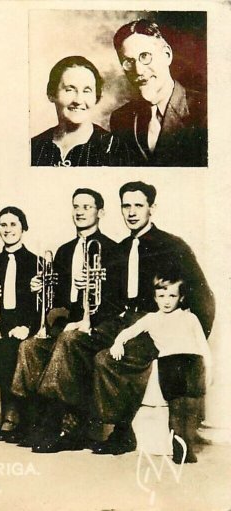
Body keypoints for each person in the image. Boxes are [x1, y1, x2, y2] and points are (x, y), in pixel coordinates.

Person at [91, 181, 214, 455]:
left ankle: (121, 431)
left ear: (152, 208)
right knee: (74, 341)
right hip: (122, 321)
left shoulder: (172, 245)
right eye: (126, 205)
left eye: (139, 205)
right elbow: (109, 299)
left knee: (105, 360)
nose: (132, 212)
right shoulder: (118, 249)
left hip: (153, 325)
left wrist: (188, 341)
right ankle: (70, 428)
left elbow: (203, 297)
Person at [14, 189, 122, 453]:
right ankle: (37, 421)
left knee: (68, 339)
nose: (80, 211)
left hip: (100, 324)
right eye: (76, 206)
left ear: (101, 212)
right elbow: (57, 300)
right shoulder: (64, 251)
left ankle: (61, 426)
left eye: (87, 206)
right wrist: (40, 287)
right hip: (69, 323)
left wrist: (90, 315)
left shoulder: (112, 249)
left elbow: (119, 301)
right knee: (29, 347)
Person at [108, 272, 211, 463]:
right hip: (170, 364)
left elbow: (203, 346)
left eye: (172, 296)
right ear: (155, 298)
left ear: (181, 297)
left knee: (191, 408)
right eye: (161, 296)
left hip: (193, 363)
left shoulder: (190, 318)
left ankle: (188, 446)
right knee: (176, 407)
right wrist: (117, 344)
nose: (166, 301)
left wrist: (208, 370)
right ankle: (180, 450)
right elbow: (128, 332)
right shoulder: (151, 319)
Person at [0, 207, 39, 442]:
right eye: (3, 225)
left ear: (23, 228)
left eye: (13, 224)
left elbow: (41, 305)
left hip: (24, 325)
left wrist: (27, 327)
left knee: (13, 350)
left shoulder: (36, 262)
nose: (8, 229)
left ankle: (12, 419)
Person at [110, 19, 207, 167]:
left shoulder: (205, 110)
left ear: (167, 55)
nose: (139, 70)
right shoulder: (121, 119)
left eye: (145, 56)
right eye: (129, 62)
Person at [31, 56, 131, 167]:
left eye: (87, 91)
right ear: (51, 94)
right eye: (69, 89)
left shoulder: (114, 147)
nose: (78, 100)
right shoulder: (34, 146)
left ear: (96, 97)